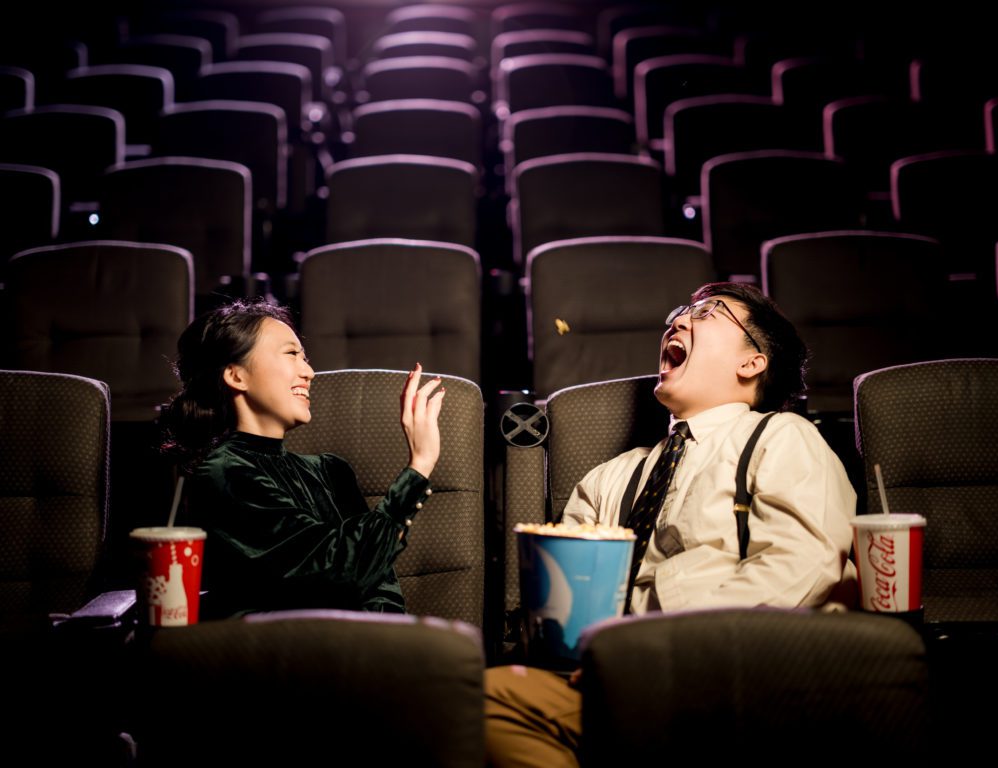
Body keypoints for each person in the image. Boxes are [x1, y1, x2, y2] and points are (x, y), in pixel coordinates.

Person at [485, 282, 858, 767]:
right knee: (479, 697)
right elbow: (567, 599)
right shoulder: (609, 479)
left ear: (752, 362)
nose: (676, 321)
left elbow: (804, 566)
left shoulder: (782, 437)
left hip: (734, 677)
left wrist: (656, 652)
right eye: (680, 312)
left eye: (706, 314)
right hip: (609, 684)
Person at [160, 299, 445, 616]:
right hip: (283, 655)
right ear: (236, 376)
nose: (309, 372)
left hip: (362, 652)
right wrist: (419, 466)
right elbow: (338, 575)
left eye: (306, 358)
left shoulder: (331, 471)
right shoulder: (224, 473)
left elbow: (380, 586)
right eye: (291, 354)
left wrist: (388, 647)